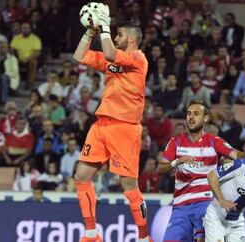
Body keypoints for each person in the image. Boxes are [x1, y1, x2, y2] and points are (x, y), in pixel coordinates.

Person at [72, 4, 151, 241]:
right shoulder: (112, 57)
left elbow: (109, 54)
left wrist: (105, 26)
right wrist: (90, 32)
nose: (116, 37)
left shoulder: (138, 58)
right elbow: (79, 56)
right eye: (114, 34)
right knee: (81, 177)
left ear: (133, 39)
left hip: (125, 127)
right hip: (102, 124)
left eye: (120, 34)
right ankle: (91, 233)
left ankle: (144, 237)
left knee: (128, 186)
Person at [157, 99, 244, 242]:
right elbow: (160, 169)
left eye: (196, 114)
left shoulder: (214, 141)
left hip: (205, 203)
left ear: (205, 118)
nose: (191, 117)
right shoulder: (176, 142)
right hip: (180, 206)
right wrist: (176, 161)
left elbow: (237, 155)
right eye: (189, 114)